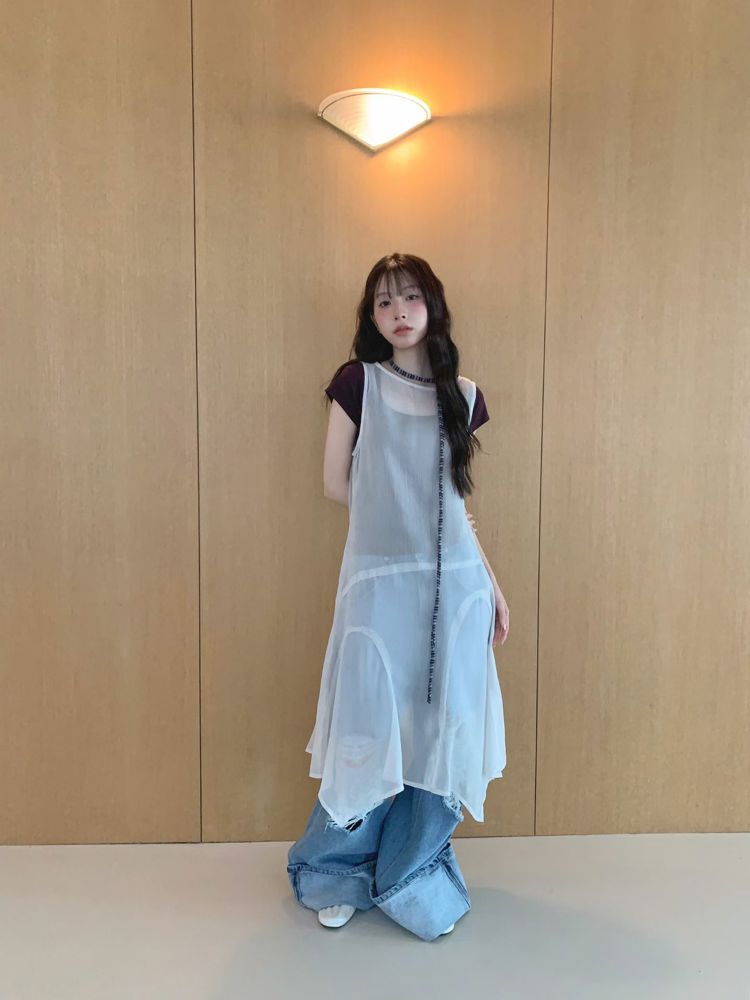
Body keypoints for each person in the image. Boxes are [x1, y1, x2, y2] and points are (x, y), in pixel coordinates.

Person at [287, 252, 509, 942]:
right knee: (367, 729)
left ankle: (410, 875)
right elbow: (335, 483)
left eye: (410, 297)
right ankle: (336, 870)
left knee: (439, 729)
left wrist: (492, 584)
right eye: (384, 302)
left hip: (456, 587)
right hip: (380, 584)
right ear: (371, 316)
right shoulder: (359, 383)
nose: (399, 312)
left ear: (432, 305)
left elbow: (458, 505)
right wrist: (401, 527)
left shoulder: (463, 394)